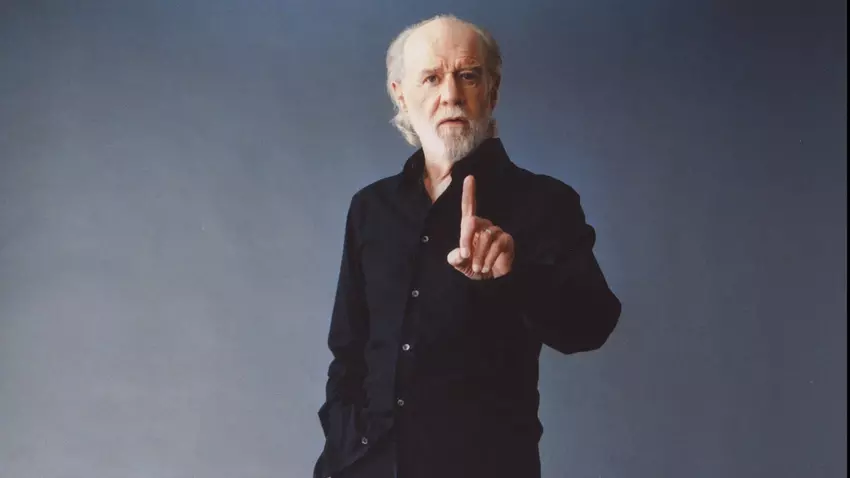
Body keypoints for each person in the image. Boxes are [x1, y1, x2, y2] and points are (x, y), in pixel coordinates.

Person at [313, 14, 621, 478]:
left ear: (492, 92)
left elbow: (592, 324)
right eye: (431, 78)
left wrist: (514, 275)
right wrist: (343, 442)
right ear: (400, 93)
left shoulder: (544, 201)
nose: (451, 94)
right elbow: (348, 350)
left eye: (468, 75)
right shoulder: (371, 208)